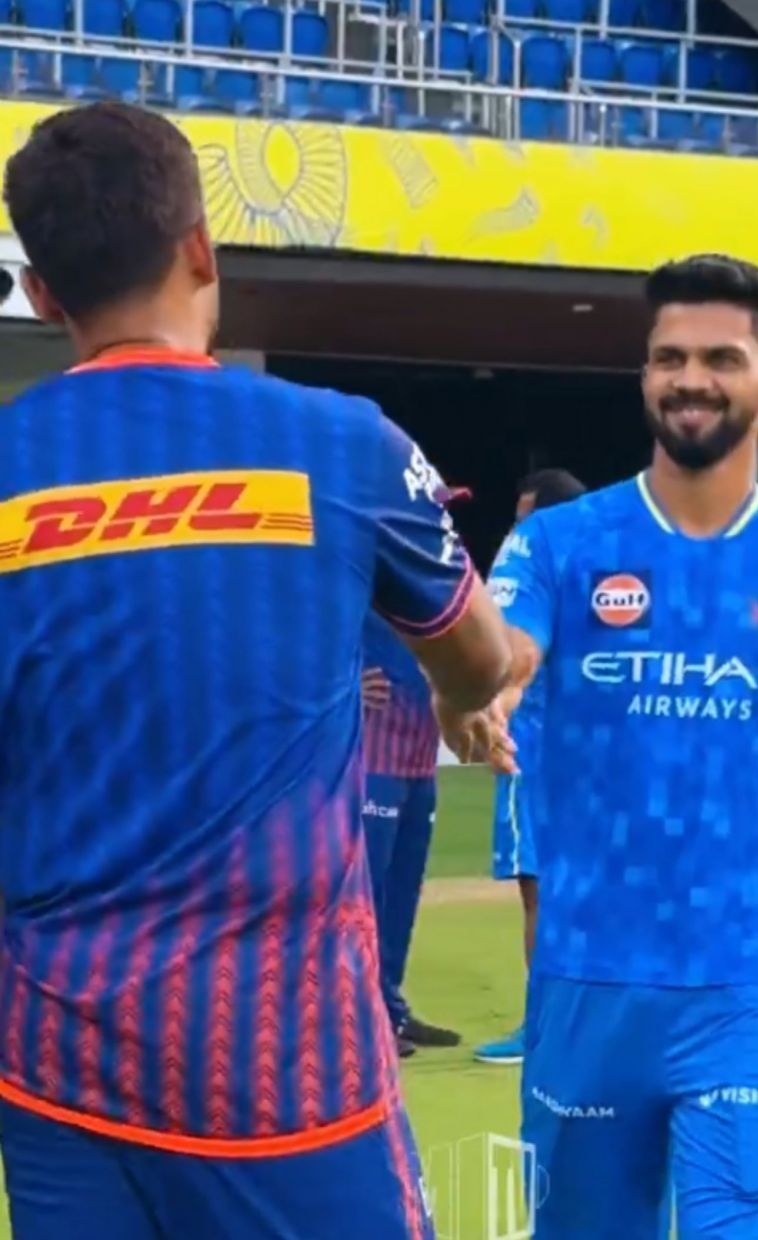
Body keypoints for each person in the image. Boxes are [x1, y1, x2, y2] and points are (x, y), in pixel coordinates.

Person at [0, 101, 512, 1237]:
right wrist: (463, 697)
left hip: (54, 1067)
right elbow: (476, 653)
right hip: (289, 1074)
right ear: (201, 250)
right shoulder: (341, 442)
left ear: (41, 293)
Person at [450, 254, 758, 1237]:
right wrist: (481, 692)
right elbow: (508, 652)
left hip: (753, 986)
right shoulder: (560, 545)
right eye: (668, 356)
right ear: (644, 377)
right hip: (589, 986)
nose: (689, 377)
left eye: (721, 356)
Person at [473, 467, 588, 1067]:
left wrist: (495, 708)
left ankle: (545, 1029)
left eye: (524, 517)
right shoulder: (606, 565)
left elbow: (509, 655)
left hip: (536, 748)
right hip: (592, 755)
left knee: (539, 891)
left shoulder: (535, 568)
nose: (517, 529)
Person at [361, 561, 472, 1059]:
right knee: (366, 897)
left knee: (402, 896)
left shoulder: (433, 588)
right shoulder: (362, 575)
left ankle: (390, 1008)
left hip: (419, 762)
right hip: (370, 759)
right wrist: (342, 680)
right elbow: (297, 632)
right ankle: (359, 1019)